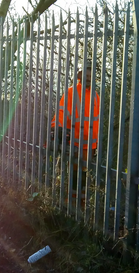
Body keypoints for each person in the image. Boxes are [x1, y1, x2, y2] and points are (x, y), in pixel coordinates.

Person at [51, 63, 100, 206]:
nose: (89, 78)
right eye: (86, 75)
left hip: (90, 145)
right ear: (79, 76)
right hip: (75, 142)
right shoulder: (71, 92)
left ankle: (81, 204)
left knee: (84, 176)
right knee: (73, 174)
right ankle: (70, 204)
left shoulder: (95, 95)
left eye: (91, 76)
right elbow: (61, 111)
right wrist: (56, 127)